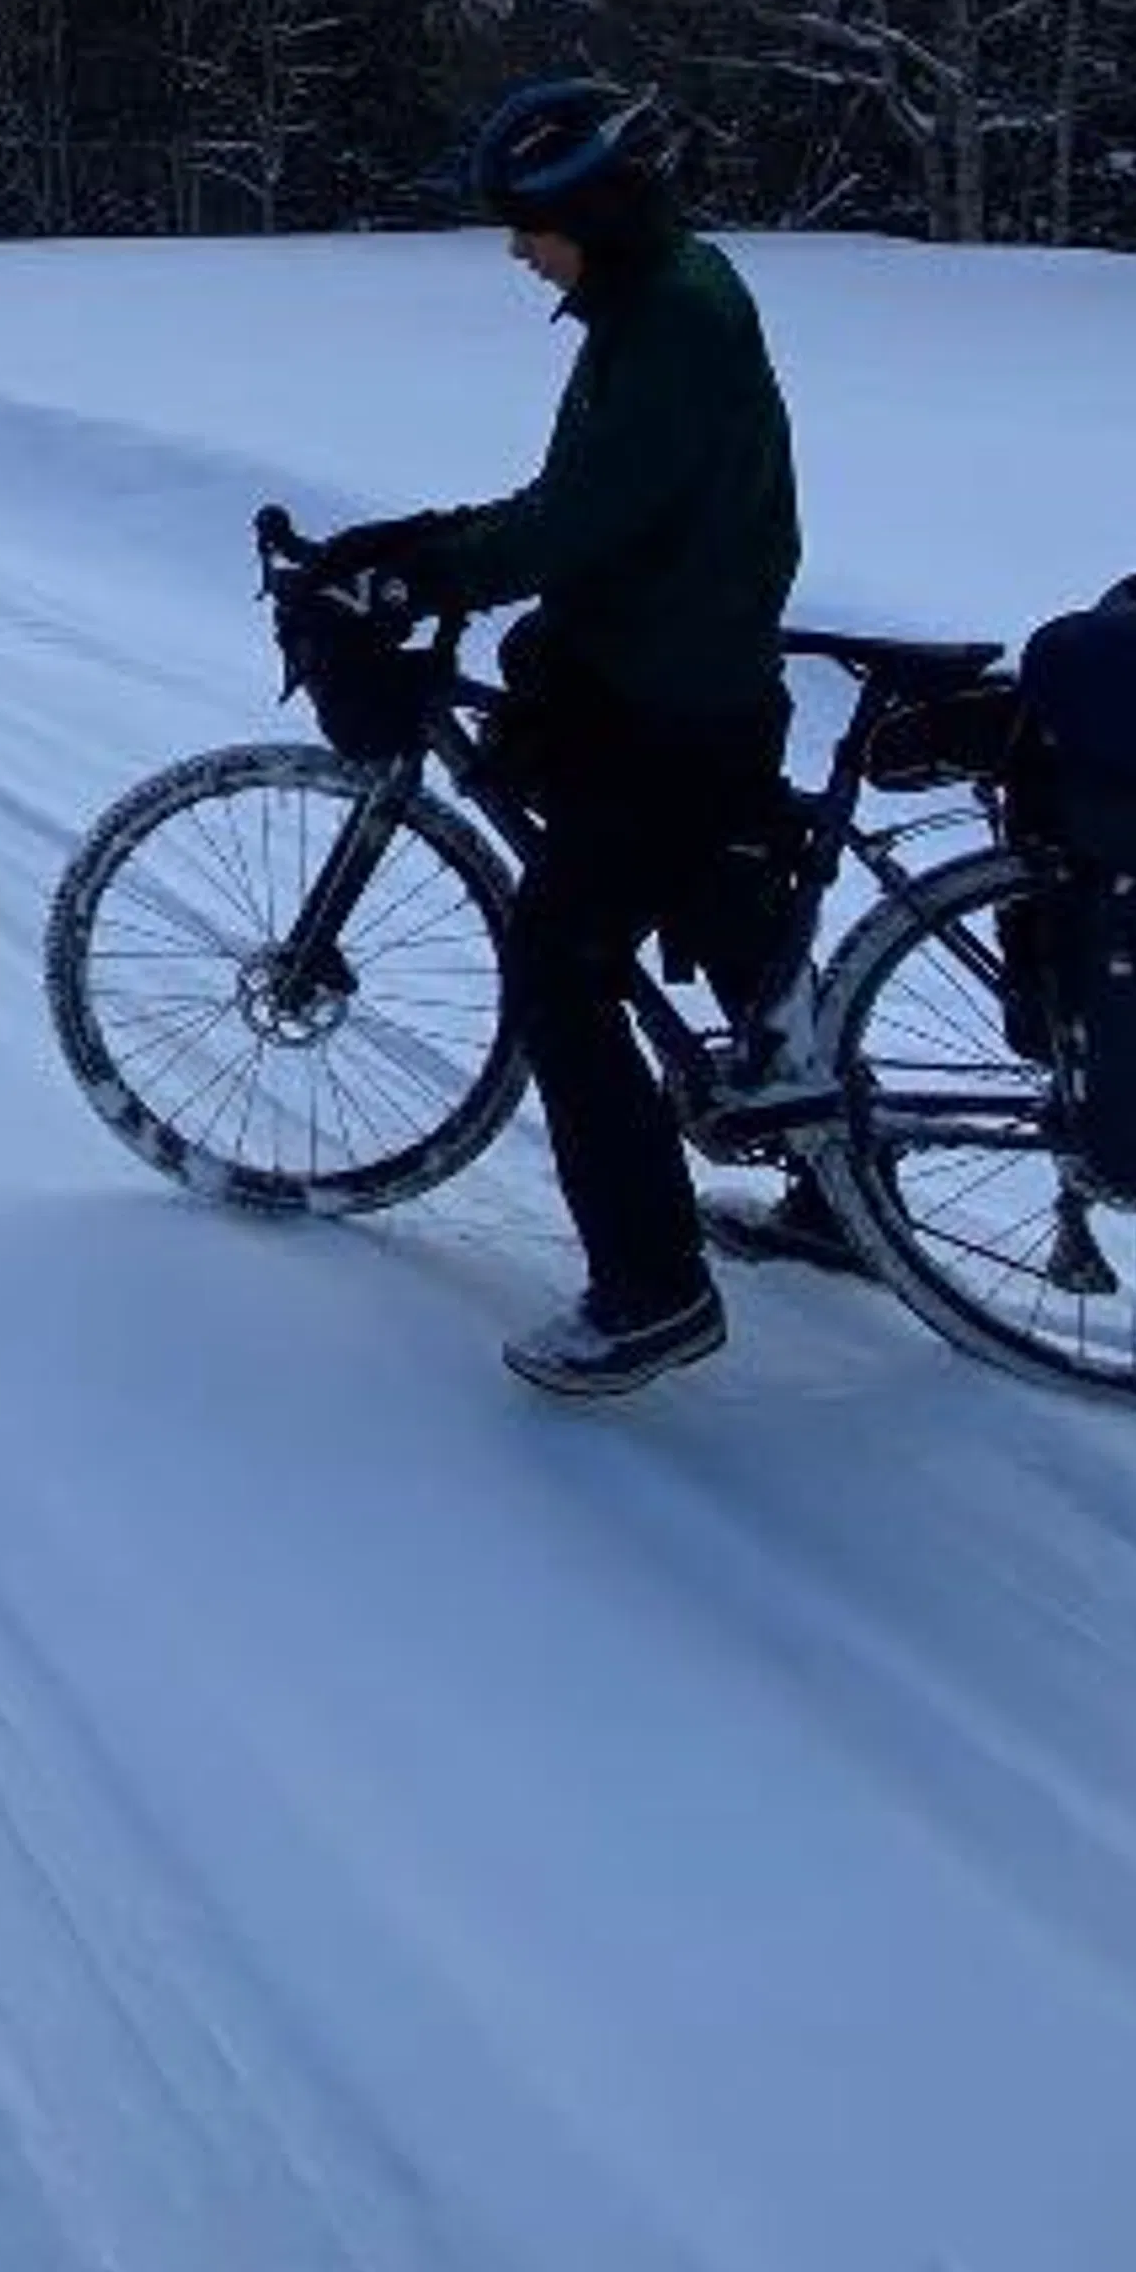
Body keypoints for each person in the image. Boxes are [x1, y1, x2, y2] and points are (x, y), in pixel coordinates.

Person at [302, 74, 844, 1400]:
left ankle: (652, 1290)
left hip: (671, 698)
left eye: (527, 221)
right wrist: (436, 544)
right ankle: (847, 1198)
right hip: (686, 674)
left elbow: (578, 523)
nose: (513, 248)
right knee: (734, 933)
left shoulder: (667, 325)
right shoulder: (660, 297)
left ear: (593, 209)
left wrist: (423, 576)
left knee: (561, 965)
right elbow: (587, 503)